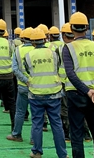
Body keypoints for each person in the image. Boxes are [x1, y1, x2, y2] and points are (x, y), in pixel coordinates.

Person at [63, 12, 94, 158]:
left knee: (76, 134)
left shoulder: (68, 48)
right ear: (87, 28)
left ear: (71, 28)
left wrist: (86, 91)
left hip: (76, 94)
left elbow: (70, 73)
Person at [24, 28, 67, 158]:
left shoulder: (28, 55)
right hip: (54, 92)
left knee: (37, 124)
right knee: (57, 124)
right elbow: (57, 67)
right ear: (44, 39)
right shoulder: (54, 53)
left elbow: (28, 70)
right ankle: (62, 154)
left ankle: (37, 152)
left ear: (32, 42)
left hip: (36, 93)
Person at [7, 27, 34, 143]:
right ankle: (34, 139)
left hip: (23, 86)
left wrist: (25, 80)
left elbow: (15, 69)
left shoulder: (18, 50)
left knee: (20, 112)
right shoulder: (37, 50)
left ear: (22, 38)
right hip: (36, 87)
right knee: (36, 114)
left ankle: (16, 134)